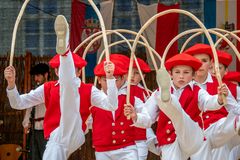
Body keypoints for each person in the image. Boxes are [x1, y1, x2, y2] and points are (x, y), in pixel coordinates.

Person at [4, 15, 118, 159]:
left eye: (71, 69)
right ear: (56, 71)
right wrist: (11, 83)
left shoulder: (88, 89)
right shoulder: (48, 88)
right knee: (52, 152)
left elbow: (112, 105)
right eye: (60, 69)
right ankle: (65, 52)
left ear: (78, 71)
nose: (63, 72)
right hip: (55, 136)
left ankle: (65, 52)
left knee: (69, 95)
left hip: (75, 132)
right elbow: (17, 103)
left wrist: (110, 78)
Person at [125, 53, 228, 160]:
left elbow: (208, 102)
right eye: (177, 72)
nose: (181, 76)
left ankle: (169, 100)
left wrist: (219, 99)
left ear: (193, 75)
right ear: (170, 74)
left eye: (186, 72)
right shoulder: (158, 93)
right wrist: (136, 116)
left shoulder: (197, 90)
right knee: (162, 97)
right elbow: (148, 117)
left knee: (180, 114)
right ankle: (168, 100)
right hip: (169, 138)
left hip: (192, 137)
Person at [184, 43, 240, 160]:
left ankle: (236, 123)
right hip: (194, 134)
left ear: (210, 63)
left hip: (217, 131)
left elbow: (234, 108)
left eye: (204, 60)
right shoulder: (183, 86)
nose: (199, 64)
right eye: (196, 60)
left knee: (225, 126)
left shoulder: (220, 84)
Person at [90, 54, 149, 160]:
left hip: (127, 148)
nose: (111, 84)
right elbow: (86, 124)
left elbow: (148, 121)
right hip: (102, 151)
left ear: (123, 78)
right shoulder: (93, 100)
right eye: (106, 80)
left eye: (115, 80)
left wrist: (135, 116)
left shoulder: (131, 98)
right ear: (99, 80)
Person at [22, 63, 49, 160]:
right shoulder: (35, 91)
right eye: (35, 76)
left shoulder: (51, 90)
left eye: (38, 76)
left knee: (46, 156)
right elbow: (29, 106)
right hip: (34, 130)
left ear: (45, 75)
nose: (36, 79)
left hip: (47, 130)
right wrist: (26, 123)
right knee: (34, 157)